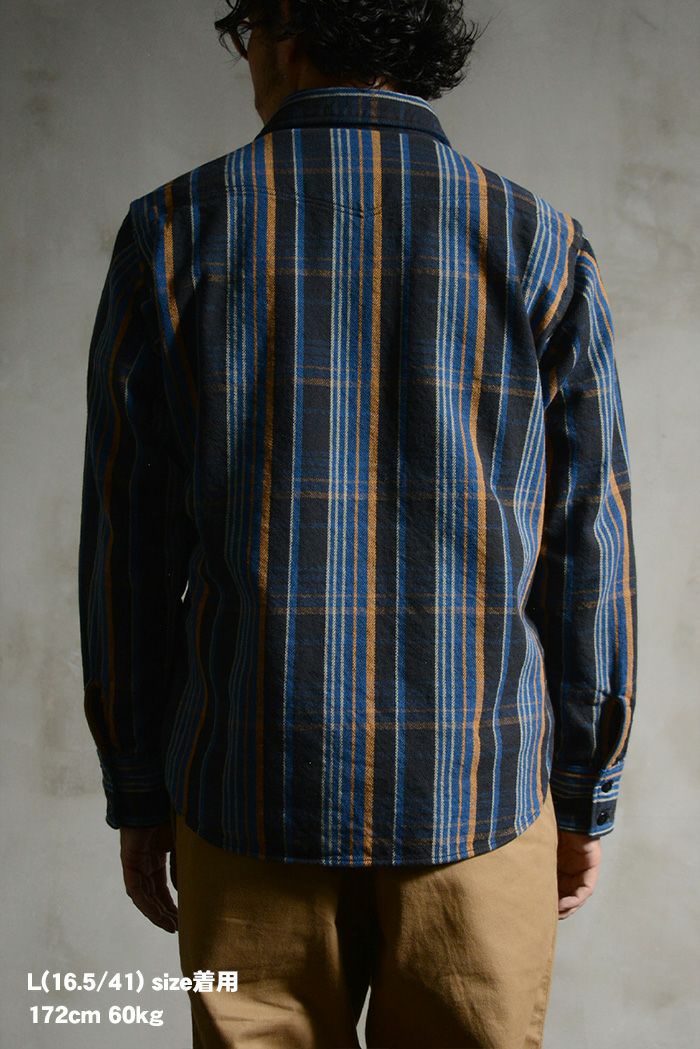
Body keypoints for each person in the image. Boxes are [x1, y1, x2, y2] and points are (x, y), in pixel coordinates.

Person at [78, 1, 638, 1046]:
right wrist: (581, 790)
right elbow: (587, 549)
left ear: (284, 29)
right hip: (478, 792)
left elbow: (128, 548)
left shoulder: (173, 231)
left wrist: (139, 786)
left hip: (243, 785)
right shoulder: (540, 242)